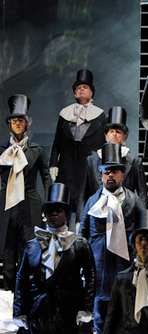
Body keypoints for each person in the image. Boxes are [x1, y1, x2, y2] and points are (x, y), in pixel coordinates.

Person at [79, 143, 145, 334]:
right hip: (98, 266)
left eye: (115, 171)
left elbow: (142, 232)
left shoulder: (133, 200)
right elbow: (83, 232)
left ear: (122, 175)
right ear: (101, 175)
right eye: (107, 172)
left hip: (122, 265)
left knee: (124, 313)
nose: (110, 175)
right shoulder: (93, 201)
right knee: (99, 315)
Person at [13, 183, 95, 334]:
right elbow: (21, 277)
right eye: (50, 211)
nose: (54, 214)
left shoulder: (79, 244)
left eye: (59, 210)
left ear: (66, 215)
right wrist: (19, 311)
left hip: (70, 312)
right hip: (38, 312)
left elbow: (91, 275)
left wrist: (87, 308)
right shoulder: (33, 245)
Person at [0, 94, 52, 291]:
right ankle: (7, 295)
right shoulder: (2, 151)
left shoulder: (37, 150)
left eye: (21, 120)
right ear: (10, 124)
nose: (18, 123)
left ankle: (25, 297)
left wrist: (48, 206)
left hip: (30, 202)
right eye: (14, 120)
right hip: (7, 204)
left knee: (28, 251)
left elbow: (47, 179)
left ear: (27, 124)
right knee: (8, 251)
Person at [49, 69, 106, 228]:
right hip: (67, 168)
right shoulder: (65, 114)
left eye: (85, 87)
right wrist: (53, 163)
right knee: (64, 204)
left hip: (87, 168)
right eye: (79, 87)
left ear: (91, 92)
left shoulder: (99, 115)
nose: (81, 89)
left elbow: (103, 142)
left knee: (86, 205)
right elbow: (57, 141)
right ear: (75, 93)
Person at [78, 106, 148, 216]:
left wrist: (143, 218)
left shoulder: (134, 160)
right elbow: (83, 193)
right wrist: (80, 219)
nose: (114, 134)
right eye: (111, 131)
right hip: (97, 213)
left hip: (125, 214)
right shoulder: (92, 160)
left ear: (124, 137)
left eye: (118, 132)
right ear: (106, 136)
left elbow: (142, 193)